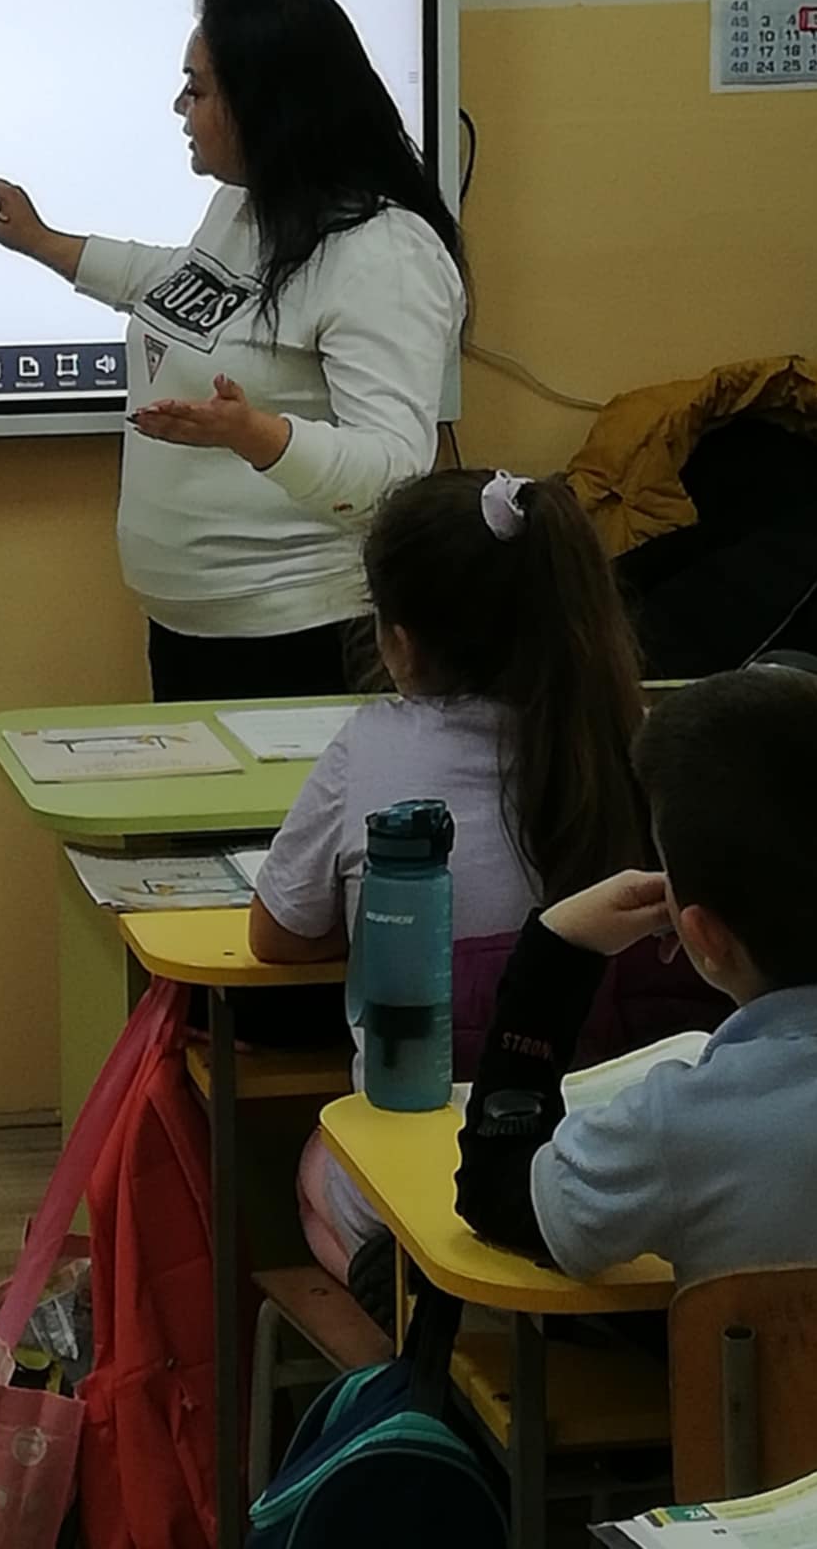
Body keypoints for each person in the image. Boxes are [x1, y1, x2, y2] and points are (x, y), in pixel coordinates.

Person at [0, 0, 465, 702]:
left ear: (264, 104)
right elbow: (186, 285)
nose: (180, 108)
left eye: (196, 90)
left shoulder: (384, 256)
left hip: (303, 635)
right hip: (194, 627)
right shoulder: (249, 207)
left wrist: (259, 436)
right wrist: (40, 240)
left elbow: (394, 471)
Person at [246, 466, 649, 1282]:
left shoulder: (372, 748)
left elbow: (275, 935)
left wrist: (380, 927)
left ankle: (413, 1333)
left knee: (317, 1164)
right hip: (614, 1162)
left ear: (398, 638)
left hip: (440, 1153)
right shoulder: (634, 743)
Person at [456, 669, 817, 1285]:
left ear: (704, 935)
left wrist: (557, 951)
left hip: (741, 1357)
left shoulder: (675, 1128)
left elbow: (495, 1189)